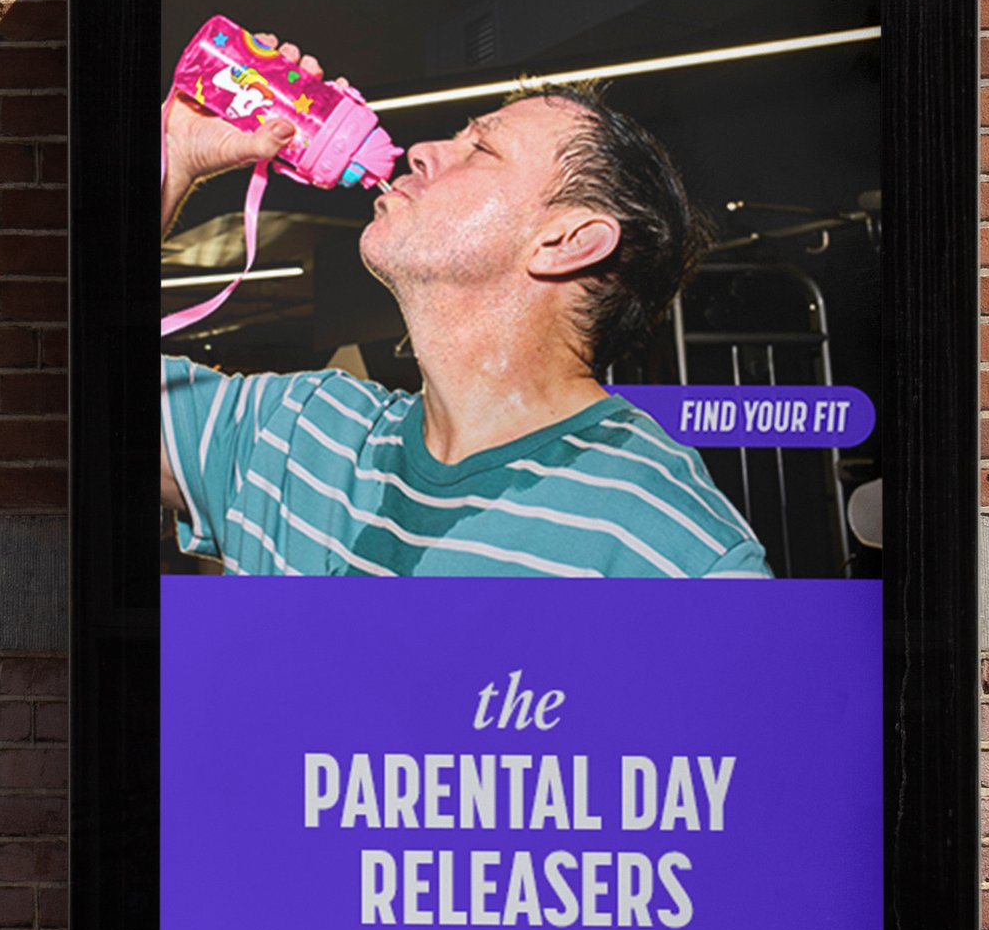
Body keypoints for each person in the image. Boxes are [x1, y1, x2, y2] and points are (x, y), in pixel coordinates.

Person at [159, 41, 769, 577]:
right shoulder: (300, 430)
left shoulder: (669, 547)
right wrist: (174, 153)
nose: (422, 150)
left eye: (480, 148)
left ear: (565, 242)